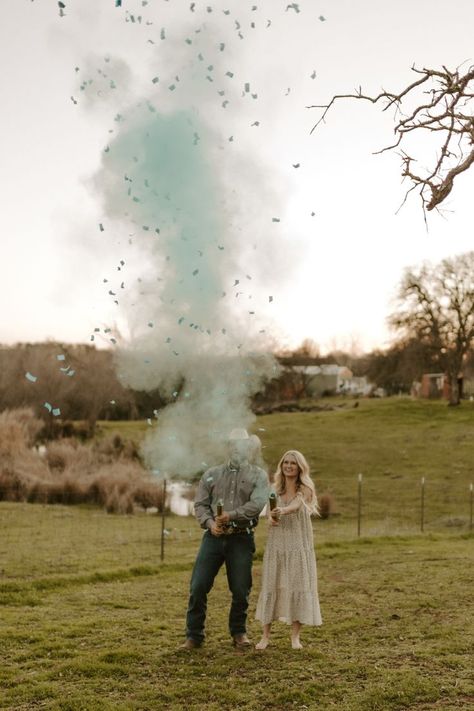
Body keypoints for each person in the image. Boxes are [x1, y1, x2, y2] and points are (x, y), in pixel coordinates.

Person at [181, 428, 269, 650]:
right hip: (212, 538)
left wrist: (230, 516)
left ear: (248, 448)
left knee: (240, 588)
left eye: (242, 445)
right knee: (198, 586)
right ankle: (194, 636)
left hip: (241, 537)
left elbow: (257, 504)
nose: (237, 449)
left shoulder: (258, 475)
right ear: (228, 447)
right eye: (233, 444)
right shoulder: (211, 474)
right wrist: (211, 525)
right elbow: (200, 505)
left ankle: (239, 632)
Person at [255, 450, 322, 650]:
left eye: (293, 463)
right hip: (277, 543)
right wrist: (271, 518)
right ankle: (265, 636)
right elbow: (268, 513)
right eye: (286, 462)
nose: (289, 466)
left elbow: (295, 505)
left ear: (300, 467)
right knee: (271, 582)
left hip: (298, 543)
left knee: (297, 582)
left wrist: (282, 510)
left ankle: (295, 637)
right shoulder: (274, 489)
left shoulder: (306, 488)